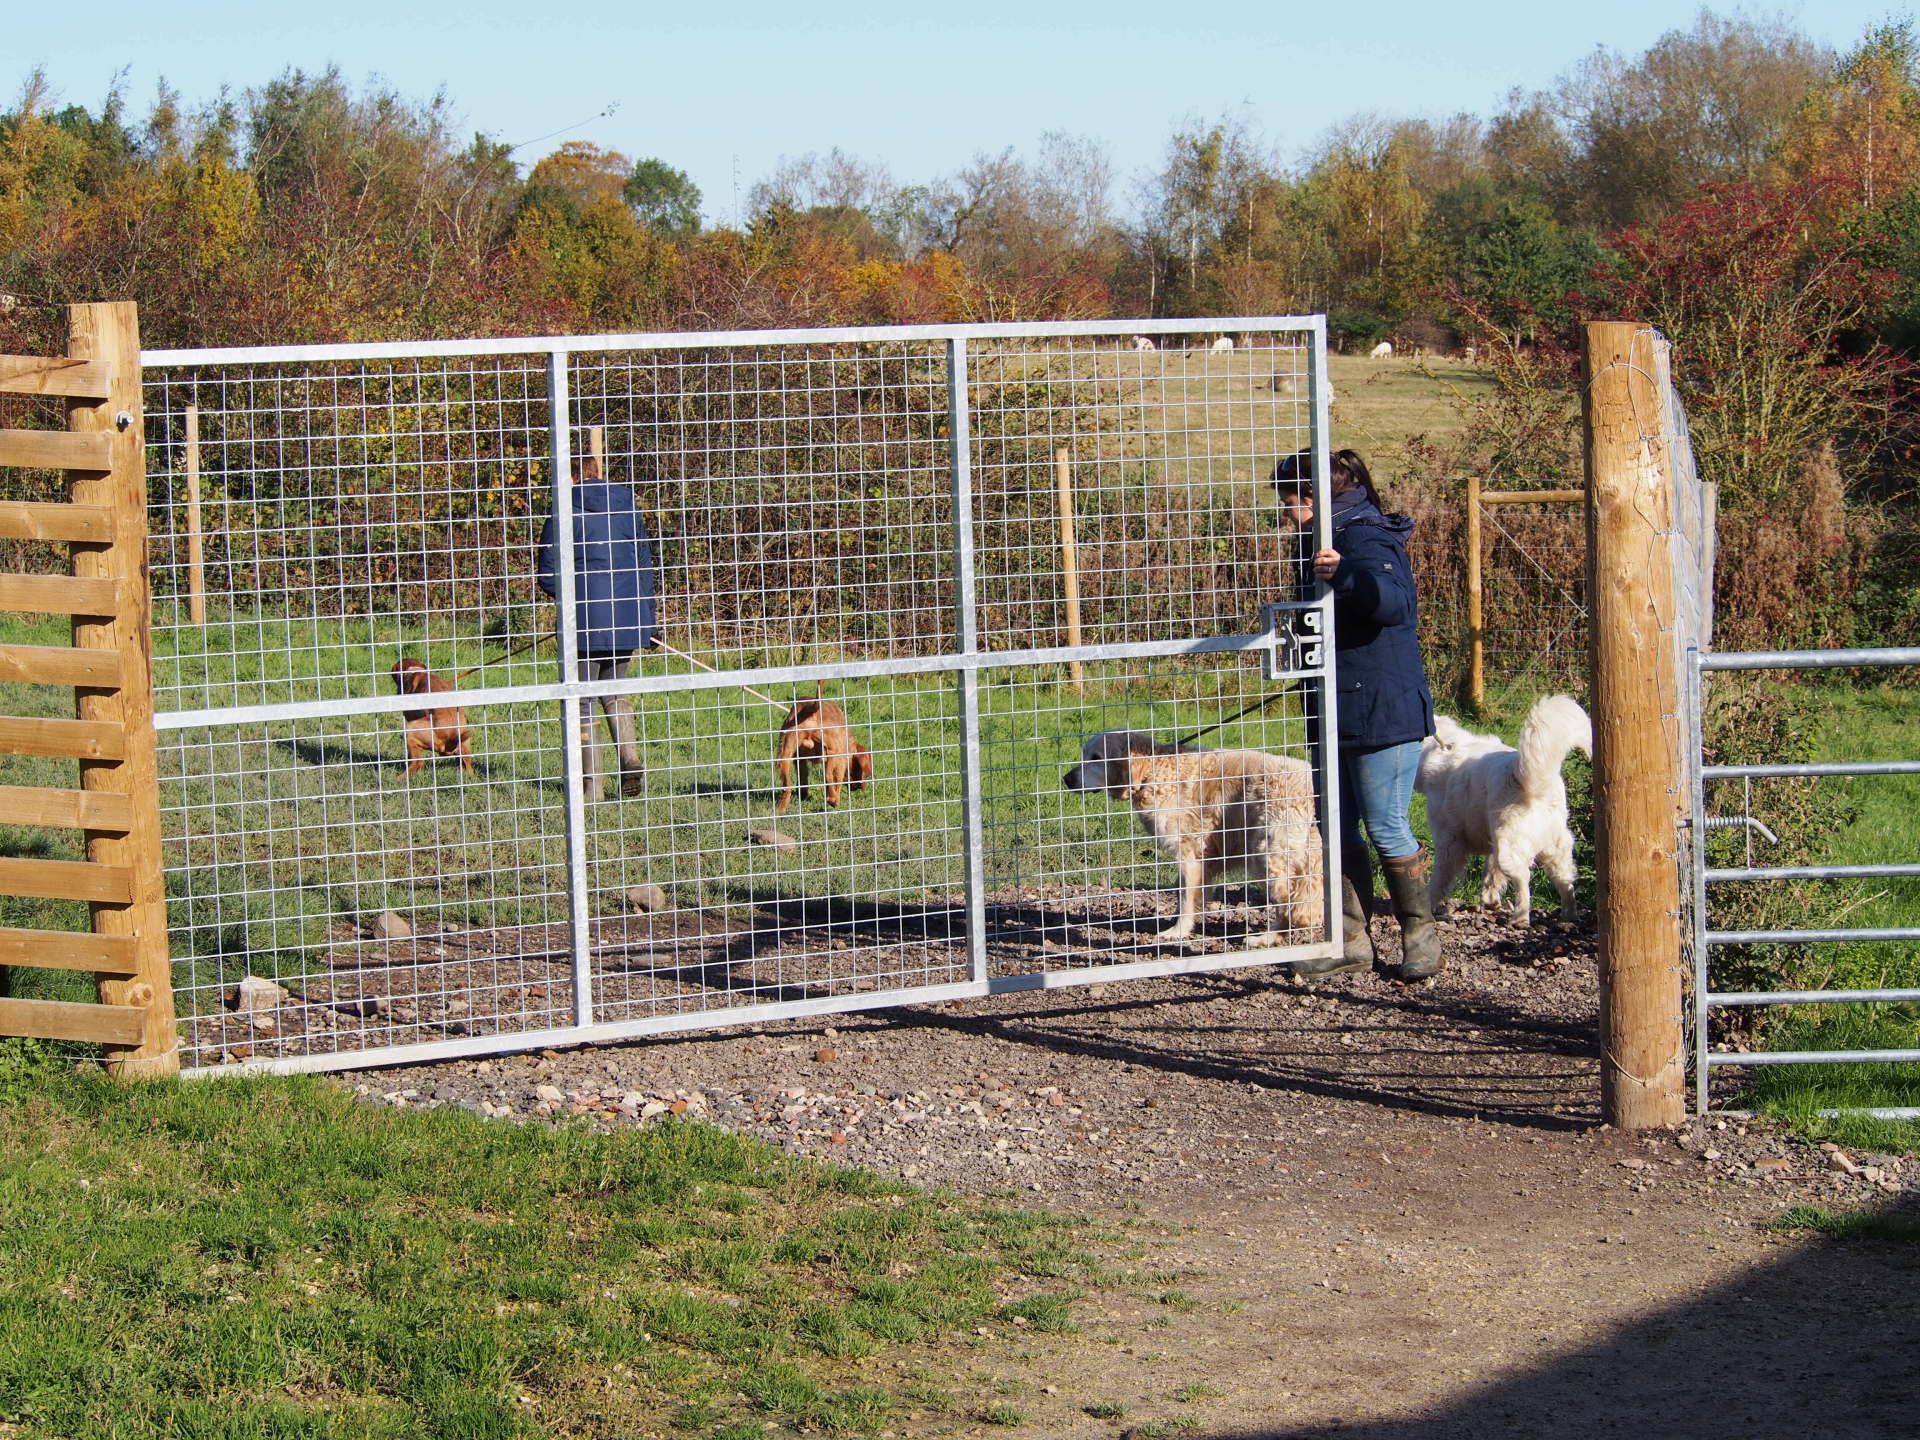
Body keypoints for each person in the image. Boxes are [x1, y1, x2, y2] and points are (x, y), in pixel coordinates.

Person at [1271, 447, 1440, 981]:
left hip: (1381, 710)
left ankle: (1421, 939)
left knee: (1387, 827)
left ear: (1315, 497)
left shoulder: (1363, 537)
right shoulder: (1317, 541)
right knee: (1337, 830)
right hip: (1333, 706)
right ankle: (1349, 942)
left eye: (1289, 502)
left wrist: (1346, 576)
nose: (1285, 513)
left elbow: (1394, 603)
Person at [537, 455, 660, 800]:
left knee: (583, 700)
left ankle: (593, 788)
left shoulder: (564, 511)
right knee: (615, 691)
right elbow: (644, 569)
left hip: (584, 621)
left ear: (573, 476)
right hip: (626, 618)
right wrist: (646, 619)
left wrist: (571, 598)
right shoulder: (628, 510)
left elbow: (547, 573)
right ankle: (629, 757)